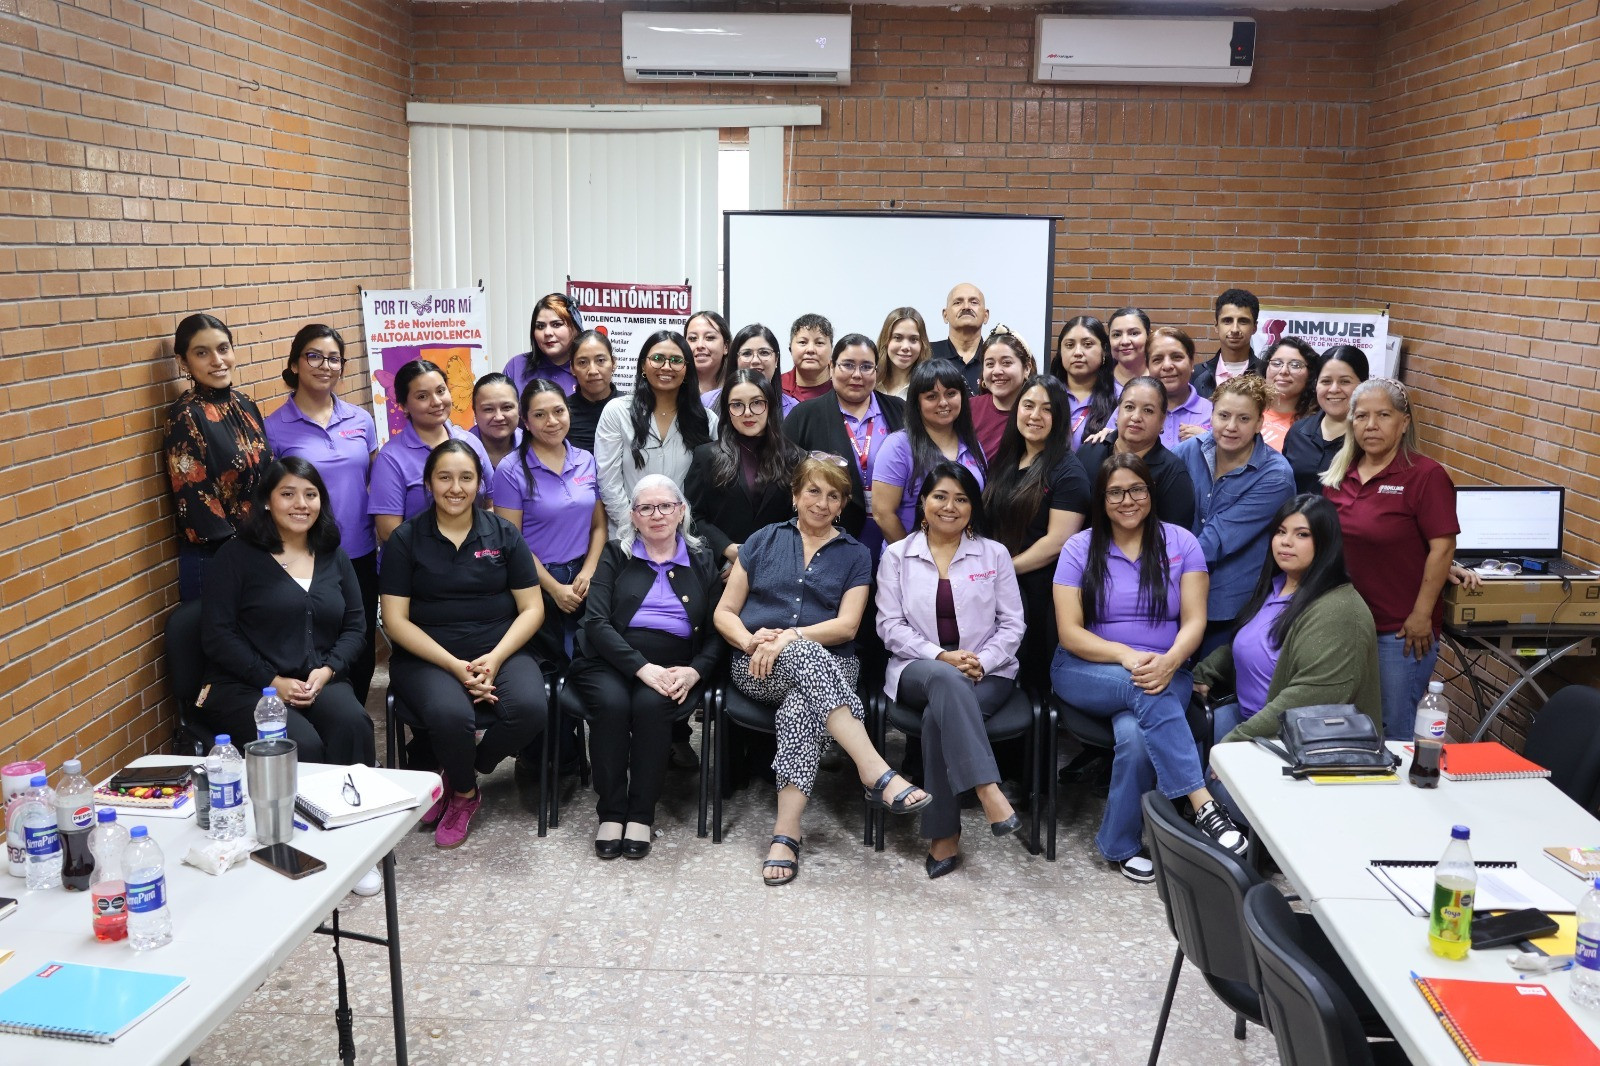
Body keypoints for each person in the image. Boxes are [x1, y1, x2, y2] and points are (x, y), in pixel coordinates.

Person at [713, 455, 927, 885]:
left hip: (833, 664)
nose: (822, 502)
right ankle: (874, 770)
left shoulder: (855, 555)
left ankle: (785, 834)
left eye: (833, 495)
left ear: (844, 503)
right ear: (795, 495)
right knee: (805, 668)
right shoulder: (761, 541)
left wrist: (790, 637)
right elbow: (725, 612)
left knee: (800, 708)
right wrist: (752, 640)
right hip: (758, 666)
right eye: (813, 491)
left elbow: (847, 626)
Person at [1050, 454, 1248, 881]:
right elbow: (1069, 632)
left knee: (1137, 738)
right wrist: (1125, 655)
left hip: (1166, 669)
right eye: (1116, 492)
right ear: (1102, 500)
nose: (1128, 500)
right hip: (1087, 667)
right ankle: (1203, 805)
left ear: (1150, 493)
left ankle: (1118, 845)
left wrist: (1173, 659)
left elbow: (1194, 620)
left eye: (1137, 489)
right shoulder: (1079, 548)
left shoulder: (1181, 543)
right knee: (1143, 689)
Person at [380, 440, 547, 848]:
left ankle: (460, 773)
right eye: (444, 477)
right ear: (428, 484)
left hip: (498, 649)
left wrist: (495, 658)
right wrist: (456, 666)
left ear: (480, 484)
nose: (455, 487)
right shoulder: (405, 539)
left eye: (466, 478)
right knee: (451, 716)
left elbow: (531, 609)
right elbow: (395, 621)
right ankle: (466, 795)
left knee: (530, 708)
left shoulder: (503, 534)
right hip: (428, 656)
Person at [878, 463, 1025, 878]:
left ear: (973, 509)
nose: (950, 506)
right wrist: (940, 656)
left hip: (987, 671)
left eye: (962, 499)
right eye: (940, 496)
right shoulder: (897, 556)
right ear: (923, 504)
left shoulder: (993, 554)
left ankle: (944, 833)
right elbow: (889, 626)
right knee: (944, 680)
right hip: (917, 668)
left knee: (936, 718)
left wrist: (984, 660)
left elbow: (1013, 623)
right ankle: (986, 788)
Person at [567, 475, 724, 860]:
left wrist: (695, 672)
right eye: (646, 508)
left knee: (652, 707)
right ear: (633, 517)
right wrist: (640, 668)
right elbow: (596, 623)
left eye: (666, 506)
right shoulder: (615, 554)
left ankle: (640, 813)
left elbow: (720, 630)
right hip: (607, 658)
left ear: (681, 511)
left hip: (675, 663)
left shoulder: (702, 559)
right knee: (613, 705)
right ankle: (611, 811)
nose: (657, 515)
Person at [199, 457, 375, 765]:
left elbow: (356, 625)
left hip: (316, 681)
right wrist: (273, 681)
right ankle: (299, 814)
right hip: (248, 686)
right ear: (267, 501)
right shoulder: (235, 557)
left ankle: (350, 811)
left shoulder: (333, 556)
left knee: (353, 725)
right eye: (287, 494)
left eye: (310, 494)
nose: (301, 504)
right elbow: (217, 634)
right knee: (300, 745)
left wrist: (328, 670)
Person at [1322, 378, 1458, 739]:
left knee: (1392, 733)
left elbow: (1442, 548)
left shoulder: (1425, 475)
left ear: (1404, 422)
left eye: (1383, 415)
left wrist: (1421, 615)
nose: (1371, 425)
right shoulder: (1340, 473)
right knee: (1348, 729)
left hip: (1398, 633)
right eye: (1362, 416)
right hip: (1345, 629)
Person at [1194, 495, 1381, 742]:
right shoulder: (1277, 584)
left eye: (1302, 534)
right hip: (1249, 722)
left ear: (1325, 542)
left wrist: (1238, 740)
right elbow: (1250, 646)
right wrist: (1204, 673)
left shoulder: (1339, 610)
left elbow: (1308, 698)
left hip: (1297, 743)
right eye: (1281, 532)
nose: (1286, 542)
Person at [264, 324, 379, 703]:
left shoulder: (361, 420)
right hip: (303, 555)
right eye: (313, 356)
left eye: (333, 358)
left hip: (359, 551)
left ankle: (355, 715)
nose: (324, 365)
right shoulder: (273, 428)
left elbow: (375, 483)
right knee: (314, 639)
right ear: (295, 364)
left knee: (359, 641)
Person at [1174, 375, 1297, 659]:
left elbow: (1216, 539)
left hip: (1229, 606)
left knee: (1209, 691)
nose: (1231, 427)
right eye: (1224, 416)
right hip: (1177, 598)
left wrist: (1160, 570)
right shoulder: (1190, 450)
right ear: (1211, 415)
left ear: (1258, 424)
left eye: (1243, 419)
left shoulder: (1275, 476)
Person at [982, 375, 1090, 693]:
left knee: (1030, 683)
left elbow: (1056, 542)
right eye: (1028, 405)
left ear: (1059, 419)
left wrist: (1000, 569)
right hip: (998, 587)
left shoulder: (1068, 472)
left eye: (1046, 409)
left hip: (1040, 593)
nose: (1035, 416)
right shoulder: (1005, 460)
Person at [494, 380, 606, 673]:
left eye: (559, 411)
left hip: (585, 576)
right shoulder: (510, 470)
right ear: (526, 422)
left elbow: (598, 526)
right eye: (540, 415)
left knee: (587, 663)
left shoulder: (586, 460)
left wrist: (590, 570)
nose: (552, 421)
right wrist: (555, 588)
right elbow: (512, 542)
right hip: (538, 581)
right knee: (553, 667)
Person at [163, 313, 274, 600]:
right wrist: (248, 555)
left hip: (261, 549)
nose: (217, 360)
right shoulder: (186, 415)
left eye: (223, 349)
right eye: (202, 353)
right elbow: (197, 503)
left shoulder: (245, 404)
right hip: (216, 559)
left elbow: (268, 474)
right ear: (183, 363)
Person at [785, 336, 907, 542]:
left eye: (867, 366)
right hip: (828, 536)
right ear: (831, 367)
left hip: (894, 531)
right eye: (848, 365)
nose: (857, 375)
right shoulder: (804, 415)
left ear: (876, 371)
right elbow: (786, 479)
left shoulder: (899, 411)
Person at [594, 330, 714, 536]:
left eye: (676, 360)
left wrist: (676, 530)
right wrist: (638, 527)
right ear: (643, 365)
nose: (666, 367)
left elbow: (707, 490)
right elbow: (608, 482)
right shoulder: (617, 412)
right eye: (657, 358)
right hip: (628, 535)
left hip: (684, 537)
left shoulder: (707, 420)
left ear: (687, 369)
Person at [684, 369, 804, 566]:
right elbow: (692, 515)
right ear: (727, 409)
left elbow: (799, 520)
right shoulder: (706, 456)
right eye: (737, 405)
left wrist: (752, 562)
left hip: (778, 566)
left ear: (770, 406)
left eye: (757, 403)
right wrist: (727, 549)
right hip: (721, 570)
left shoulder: (796, 458)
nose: (747, 412)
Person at [369, 359, 493, 546]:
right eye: (422, 397)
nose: (436, 402)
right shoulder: (391, 458)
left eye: (441, 391)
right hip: (417, 565)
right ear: (403, 406)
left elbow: (490, 503)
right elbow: (388, 531)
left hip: (472, 557)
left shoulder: (470, 442)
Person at [871, 360, 987, 544]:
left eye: (951, 394)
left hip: (964, 559)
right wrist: (912, 557)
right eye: (932, 396)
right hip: (910, 564)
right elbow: (882, 514)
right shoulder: (898, 446)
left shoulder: (972, 445)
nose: (943, 403)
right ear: (917, 402)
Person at [1075, 376, 1197, 529]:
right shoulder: (1089, 452)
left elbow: (1174, 538)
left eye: (1148, 410)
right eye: (1129, 407)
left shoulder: (1172, 472)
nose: (1136, 417)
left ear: (1162, 420)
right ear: (1118, 413)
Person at [1284, 345, 1370, 494]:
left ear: (1364, 385)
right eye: (1326, 381)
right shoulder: (1298, 432)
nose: (1334, 389)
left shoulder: (1369, 439)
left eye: (1345, 382)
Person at [1051, 315, 1118, 450]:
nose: (1077, 352)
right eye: (1069, 345)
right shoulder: (1046, 394)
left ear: (1104, 350)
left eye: (1087, 344)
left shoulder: (1120, 397)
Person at [968, 327, 1036, 460]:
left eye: (1006, 363)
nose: (997, 371)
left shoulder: (1037, 414)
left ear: (1027, 368)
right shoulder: (969, 408)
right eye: (990, 364)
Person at [705, 324, 799, 417]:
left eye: (764, 353)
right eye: (746, 353)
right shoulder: (707, 402)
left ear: (776, 359)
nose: (755, 361)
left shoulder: (794, 409)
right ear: (735, 359)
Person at [1193, 288, 1265, 399]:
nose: (1235, 329)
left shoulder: (1267, 373)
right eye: (1227, 321)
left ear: (1254, 327)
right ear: (1216, 326)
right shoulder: (1195, 375)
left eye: (1243, 321)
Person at [503, 293, 580, 396]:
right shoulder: (516, 367)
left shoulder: (587, 369)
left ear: (575, 328)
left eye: (556, 324)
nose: (547, 332)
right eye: (540, 326)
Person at [1146, 327, 1211, 447]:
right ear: (1148, 367)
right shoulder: (1132, 409)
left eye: (1176, 357)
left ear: (1192, 363)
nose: (1167, 366)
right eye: (1157, 359)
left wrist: (1210, 441)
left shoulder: (1213, 413)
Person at [1260, 337, 1320, 451]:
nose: (1283, 371)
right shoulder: (1249, 409)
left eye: (1295, 365)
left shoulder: (1317, 423)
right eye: (1277, 363)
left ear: (1310, 374)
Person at [566, 329, 619, 455]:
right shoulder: (562, 411)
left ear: (614, 363)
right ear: (572, 368)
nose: (593, 371)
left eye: (600, 360)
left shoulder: (630, 407)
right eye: (583, 362)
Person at [930, 283, 989, 392]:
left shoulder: (996, 357)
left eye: (974, 302)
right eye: (958, 302)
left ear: (986, 316)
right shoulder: (926, 353)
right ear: (945, 315)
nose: (966, 307)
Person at [469, 372, 522, 472]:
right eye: (488, 409)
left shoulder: (533, 447)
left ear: (519, 409)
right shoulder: (460, 450)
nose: (499, 417)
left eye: (507, 407)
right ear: (475, 411)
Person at [875, 306, 931, 400]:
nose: (905, 347)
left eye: (913, 339)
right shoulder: (870, 383)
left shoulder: (930, 387)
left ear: (922, 344)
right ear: (885, 341)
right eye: (898, 338)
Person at [779, 313, 835, 402]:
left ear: (831, 349)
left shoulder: (844, 387)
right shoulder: (777, 386)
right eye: (802, 342)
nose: (810, 350)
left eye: (819, 343)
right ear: (790, 348)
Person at [685, 310, 731, 399]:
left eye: (709, 338)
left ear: (726, 347)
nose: (700, 345)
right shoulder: (674, 388)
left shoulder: (738, 387)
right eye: (693, 338)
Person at [1106, 307, 1151, 388]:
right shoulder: (1098, 381)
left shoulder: (1162, 378)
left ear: (1148, 335)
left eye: (1134, 333)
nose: (1125, 341)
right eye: (1117, 335)